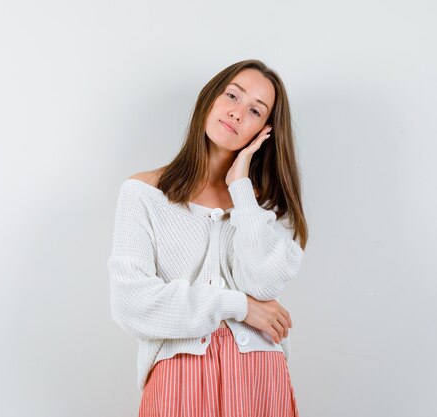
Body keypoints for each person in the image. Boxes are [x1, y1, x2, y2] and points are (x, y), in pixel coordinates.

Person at [107, 59, 309, 416]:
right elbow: (131, 304)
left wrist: (241, 188)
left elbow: (262, 283)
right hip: (178, 378)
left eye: (255, 111)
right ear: (210, 99)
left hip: (261, 379)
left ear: (265, 131)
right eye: (232, 95)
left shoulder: (264, 209)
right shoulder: (143, 193)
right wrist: (240, 307)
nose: (236, 113)